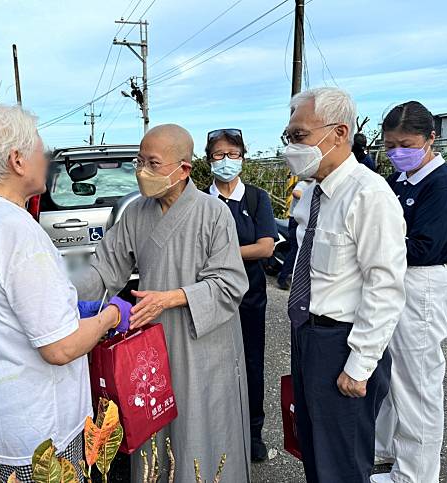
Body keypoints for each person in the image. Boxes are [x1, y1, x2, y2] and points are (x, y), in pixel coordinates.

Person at [0, 103, 132, 483]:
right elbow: (60, 348)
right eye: (39, 148)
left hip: (0, 415)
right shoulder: (15, 230)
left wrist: (70, 307)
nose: (44, 158)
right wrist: (110, 315)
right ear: (17, 160)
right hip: (39, 435)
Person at [73, 124, 252, 482]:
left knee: (203, 426)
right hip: (151, 343)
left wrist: (170, 298)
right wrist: (56, 295)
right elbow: (105, 268)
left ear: (183, 169)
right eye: (140, 162)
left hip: (203, 342)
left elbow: (231, 283)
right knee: (153, 419)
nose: (142, 172)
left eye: (152, 163)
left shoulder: (213, 213)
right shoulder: (136, 213)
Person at [282, 87, 408, 483]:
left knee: (343, 466)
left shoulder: (370, 194)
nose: (291, 146)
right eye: (289, 137)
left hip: (343, 343)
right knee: (316, 455)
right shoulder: (314, 193)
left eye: (299, 135)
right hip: (308, 336)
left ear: (338, 133)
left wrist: (360, 365)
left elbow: (384, 287)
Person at [372, 102, 447, 483]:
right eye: (390, 146)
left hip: (422, 282)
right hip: (394, 279)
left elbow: (424, 247)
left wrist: (374, 245)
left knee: (418, 381)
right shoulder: (400, 179)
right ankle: (386, 448)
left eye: (406, 144)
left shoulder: (442, 183)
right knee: (388, 373)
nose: (397, 153)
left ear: (431, 138)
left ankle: (415, 474)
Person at [204, 128, 278, 461]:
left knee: (250, 363)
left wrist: (221, 253)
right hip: (208, 295)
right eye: (219, 154)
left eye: (233, 154)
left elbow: (265, 247)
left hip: (249, 297)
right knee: (209, 365)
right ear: (209, 160)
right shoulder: (201, 202)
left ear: (243, 158)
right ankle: (214, 431)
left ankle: (252, 433)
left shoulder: (256, 198)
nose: (226, 161)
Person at [276, 179, 309, 290]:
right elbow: (296, 192)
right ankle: (283, 278)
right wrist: (310, 197)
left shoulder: (314, 184)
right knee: (295, 250)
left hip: (305, 221)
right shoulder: (303, 184)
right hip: (296, 221)